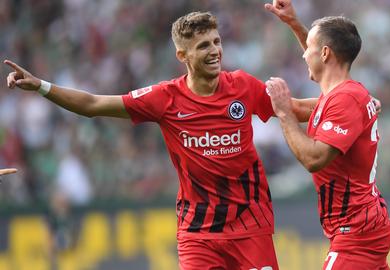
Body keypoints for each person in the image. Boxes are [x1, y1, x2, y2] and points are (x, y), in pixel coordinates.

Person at [3, 11, 322, 270]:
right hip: (198, 235)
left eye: (216, 41)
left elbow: (295, 109)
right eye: (203, 46)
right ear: (182, 54)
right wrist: (42, 86)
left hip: (251, 226)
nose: (214, 51)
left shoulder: (243, 87)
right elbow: (92, 105)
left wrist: (348, 100)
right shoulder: (164, 99)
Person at [265, 1, 390, 269]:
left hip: (356, 230)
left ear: (324, 53)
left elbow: (314, 158)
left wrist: (285, 116)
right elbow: (295, 105)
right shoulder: (340, 96)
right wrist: (294, 24)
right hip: (360, 225)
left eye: (309, 49)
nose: (303, 55)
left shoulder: (346, 99)